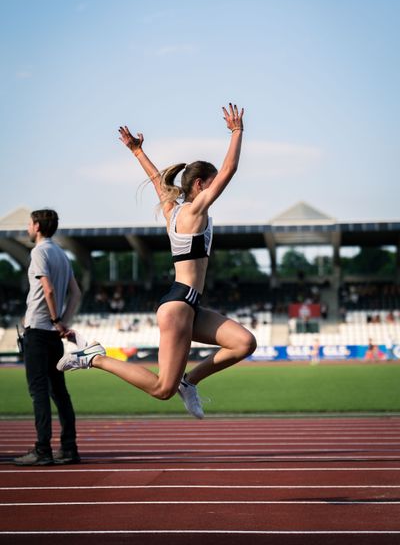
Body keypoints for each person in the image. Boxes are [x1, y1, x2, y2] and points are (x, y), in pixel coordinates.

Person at [57, 103, 257, 419]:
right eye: (212, 182)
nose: (217, 187)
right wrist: (237, 131)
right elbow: (229, 170)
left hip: (190, 305)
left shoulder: (172, 210)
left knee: (244, 343)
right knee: (163, 389)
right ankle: (96, 358)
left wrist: (137, 151)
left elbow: (156, 180)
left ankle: (189, 383)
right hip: (178, 306)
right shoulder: (192, 211)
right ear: (201, 184)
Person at [13, 209, 82, 466]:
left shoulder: (39, 252)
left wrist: (55, 320)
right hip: (53, 334)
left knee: (38, 391)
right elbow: (76, 293)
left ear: (37, 226)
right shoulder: (62, 255)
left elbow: (48, 288)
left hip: (40, 331)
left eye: (29, 224)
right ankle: (69, 447)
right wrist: (64, 323)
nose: (28, 229)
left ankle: (42, 449)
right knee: (59, 392)